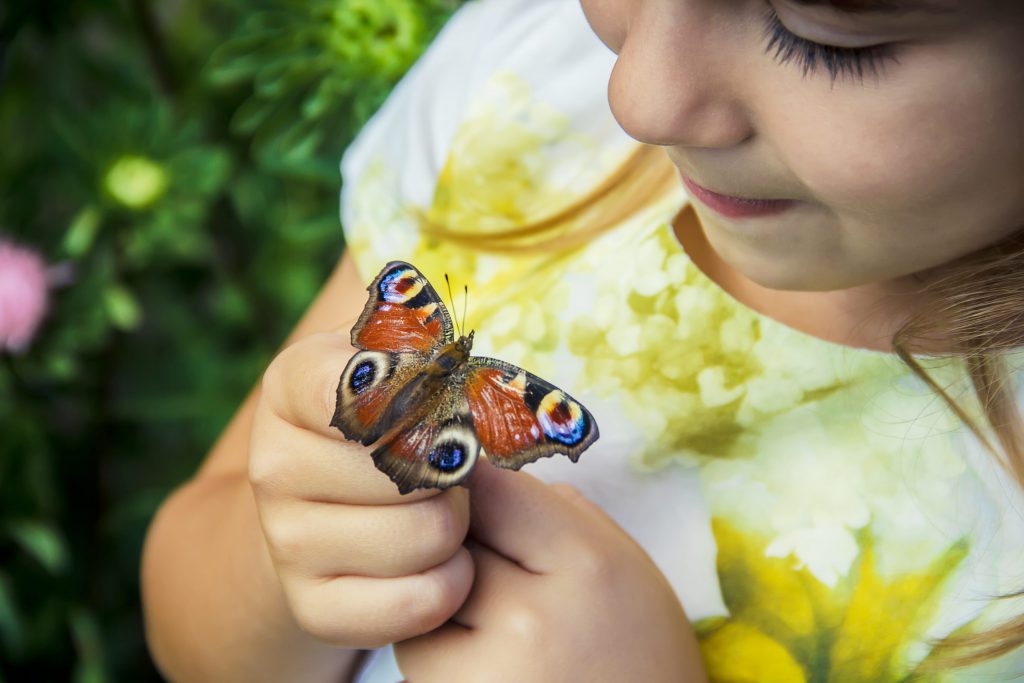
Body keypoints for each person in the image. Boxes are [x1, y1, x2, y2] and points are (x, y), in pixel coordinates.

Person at [141, 0, 1024, 680]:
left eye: (822, 34)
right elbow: (198, 631)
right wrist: (296, 549)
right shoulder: (527, 75)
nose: (639, 97)